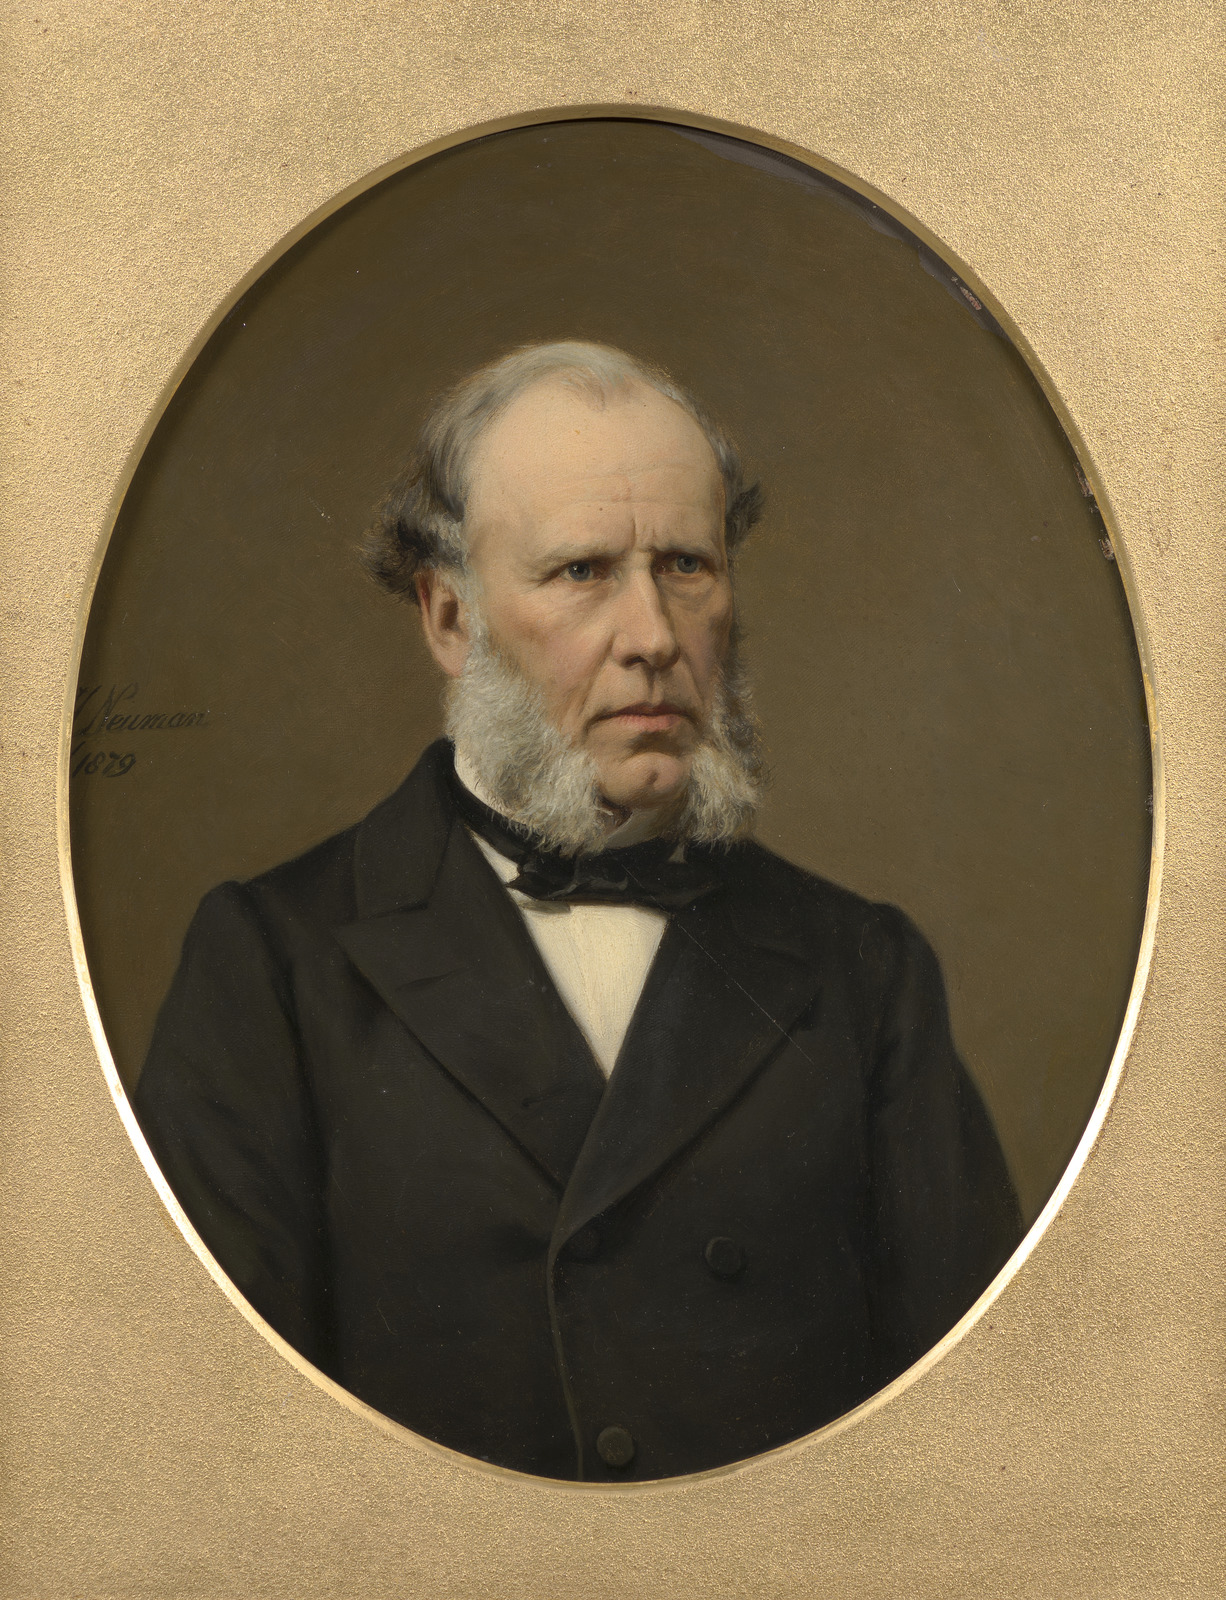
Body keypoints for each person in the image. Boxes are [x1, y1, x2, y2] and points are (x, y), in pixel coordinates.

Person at [135, 341, 1021, 1482]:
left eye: (687, 565)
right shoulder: (271, 965)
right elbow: (209, 1452)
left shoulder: (865, 970)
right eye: (581, 571)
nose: (652, 635)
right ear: (449, 616)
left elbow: (978, 1437)